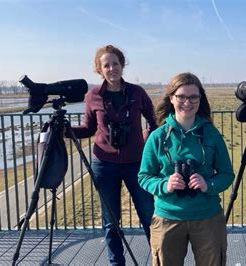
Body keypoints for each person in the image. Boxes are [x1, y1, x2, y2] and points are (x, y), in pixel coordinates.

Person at [70, 44, 157, 265]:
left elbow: (154, 121)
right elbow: (88, 129)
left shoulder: (137, 93)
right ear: (100, 69)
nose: (112, 69)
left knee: (149, 216)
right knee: (111, 222)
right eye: (106, 65)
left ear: (122, 65)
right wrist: (65, 130)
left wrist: (146, 142)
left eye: (115, 63)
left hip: (136, 163)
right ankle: (117, 263)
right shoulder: (93, 96)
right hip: (104, 164)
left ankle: (159, 259)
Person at [138, 72, 234, 266]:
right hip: (168, 217)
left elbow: (227, 174)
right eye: (181, 96)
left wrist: (208, 184)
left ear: (200, 99)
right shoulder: (158, 137)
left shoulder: (211, 134)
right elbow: (144, 177)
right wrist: (166, 184)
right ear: (172, 98)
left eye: (193, 97)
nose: (187, 102)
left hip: (207, 216)